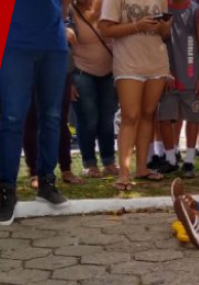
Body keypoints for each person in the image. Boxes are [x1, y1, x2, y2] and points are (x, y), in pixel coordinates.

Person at [0, 0, 72, 226]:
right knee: (11, 118)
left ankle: (46, 183)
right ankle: (7, 191)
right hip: (14, 43)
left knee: (52, 117)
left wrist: (60, 22)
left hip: (53, 44)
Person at [99, 0, 171, 191]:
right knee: (130, 115)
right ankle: (124, 173)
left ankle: (142, 168)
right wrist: (137, 25)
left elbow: (166, 34)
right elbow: (105, 29)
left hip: (157, 61)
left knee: (149, 113)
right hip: (128, 63)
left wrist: (163, 27)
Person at [69, 0, 120, 180]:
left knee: (107, 119)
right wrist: (68, 80)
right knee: (88, 119)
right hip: (81, 72)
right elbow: (65, 47)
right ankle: (89, 163)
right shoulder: (69, 10)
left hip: (110, 72)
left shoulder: (109, 5)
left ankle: (109, 161)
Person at [158, 0, 199, 179]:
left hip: (191, 74)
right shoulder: (162, 8)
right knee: (164, 117)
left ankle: (190, 160)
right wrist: (163, 70)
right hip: (168, 74)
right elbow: (158, 41)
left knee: (193, 118)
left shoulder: (196, 10)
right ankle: (170, 159)